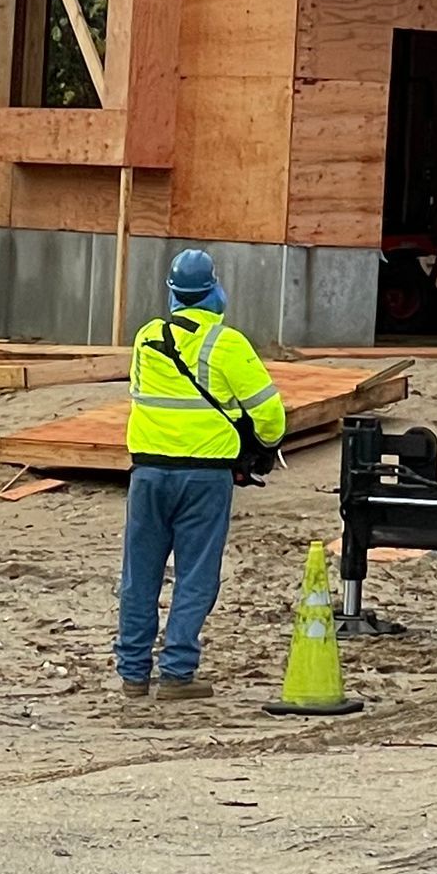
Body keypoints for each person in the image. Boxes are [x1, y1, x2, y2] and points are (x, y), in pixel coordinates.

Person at [114, 248, 286, 705]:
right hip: (204, 476)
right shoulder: (227, 344)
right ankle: (176, 673)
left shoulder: (147, 338)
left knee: (139, 575)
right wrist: (263, 447)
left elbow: (139, 393)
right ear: (214, 289)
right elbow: (270, 415)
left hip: (148, 473)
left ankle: (133, 674)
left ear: (172, 292)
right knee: (196, 575)